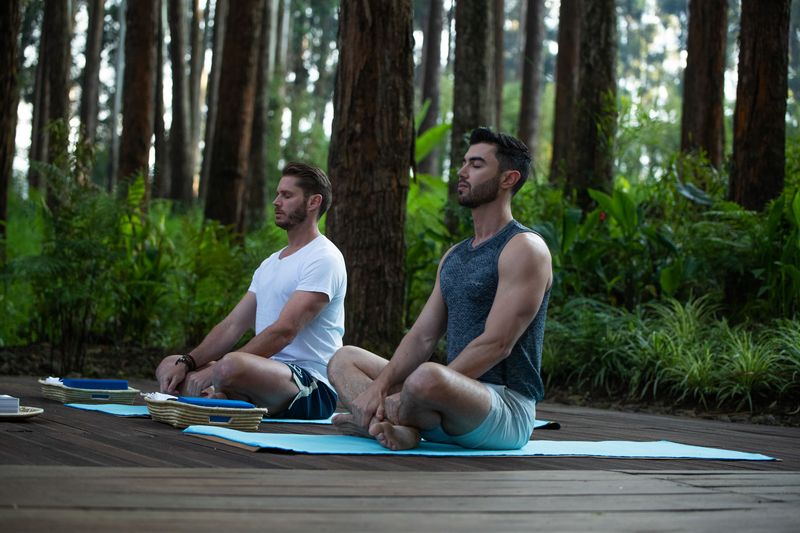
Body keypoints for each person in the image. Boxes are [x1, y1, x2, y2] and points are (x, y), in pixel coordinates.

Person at [328, 127, 552, 450]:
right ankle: (398, 425)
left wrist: (409, 391)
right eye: (464, 163)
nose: (462, 172)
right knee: (343, 359)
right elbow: (422, 336)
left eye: (476, 165)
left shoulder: (525, 248)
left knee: (426, 377)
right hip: (445, 396)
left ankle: (387, 422)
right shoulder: (456, 255)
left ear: (508, 179)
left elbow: (497, 343)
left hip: (504, 407)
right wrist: (381, 386)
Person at [156, 162, 346, 420]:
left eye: (287, 195)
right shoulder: (271, 263)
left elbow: (284, 331)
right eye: (278, 194)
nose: (276, 202)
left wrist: (213, 372)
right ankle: (226, 396)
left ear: (314, 202)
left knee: (230, 366)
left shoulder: (324, 258)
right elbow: (232, 325)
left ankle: (222, 394)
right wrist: (188, 363)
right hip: (263, 371)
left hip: (311, 387)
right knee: (170, 364)